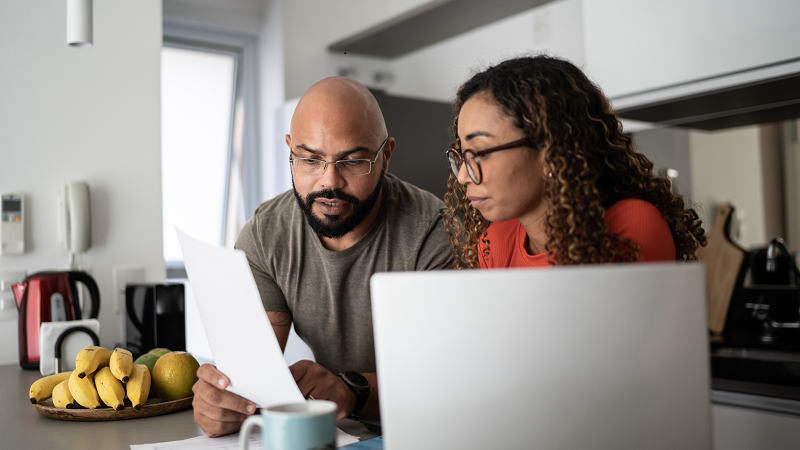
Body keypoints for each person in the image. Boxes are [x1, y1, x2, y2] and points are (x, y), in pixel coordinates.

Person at [192, 77, 454, 437]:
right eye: (310, 159)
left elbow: (445, 376)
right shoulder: (266, 234)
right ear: (289, 152)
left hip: (432, 428)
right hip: (341, 432)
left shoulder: (433, 233)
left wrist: (351, 390)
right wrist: (223, 401)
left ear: (386, 156)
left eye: (353, 160)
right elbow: (250, 372)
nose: (330, 182)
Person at [443, 55, 706, 269]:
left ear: (550, 152)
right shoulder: (496, 241)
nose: (464, 176)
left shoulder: (629, 225)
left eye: (481, 152)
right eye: (462, 155)